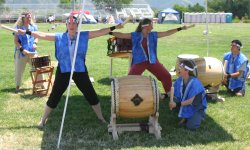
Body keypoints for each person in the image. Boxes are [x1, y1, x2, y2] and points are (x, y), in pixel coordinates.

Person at [18, 14, 123, 128]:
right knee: (55, 96)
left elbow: (100, 31)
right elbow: (42, 35)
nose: (72, 25)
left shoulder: (83, 35)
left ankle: (101, 118)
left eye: (74, 23)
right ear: (66, 25)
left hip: (79, 70)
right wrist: (26, 32)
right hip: (64, 70)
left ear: (78, 25)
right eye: (70, 23)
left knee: (91, 94)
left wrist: (114, 27)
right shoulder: (59, 36)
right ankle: (43, 120)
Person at [109, 18, 191, 99]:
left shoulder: (153, 35)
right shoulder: (135, 35)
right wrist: (109, 32)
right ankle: (124, 95)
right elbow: (121, 35)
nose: (153, 26)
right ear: (146, 26)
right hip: (139, 61)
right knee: (130, 79)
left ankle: (169, 94)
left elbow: (166, 33)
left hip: (152, 61)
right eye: (151, 24)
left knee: (166, 75)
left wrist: (180, 28)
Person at [169, 60, 207, 130]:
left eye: (181, 67)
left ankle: (199, 115)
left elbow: (190, 101)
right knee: (174, 100)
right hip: (185, 102)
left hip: (196, 106)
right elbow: (173, 90)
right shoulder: (180, 80)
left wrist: (176, 104)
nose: (179, 68)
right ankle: (185, 115)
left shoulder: (195, 83)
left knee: (191, 127)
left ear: (187, 71)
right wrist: (165, 96)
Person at [13, 10, 42, 93]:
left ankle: (40, 85)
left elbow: (36, 36)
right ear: (23, 18)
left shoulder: (34, 27)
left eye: (30, 16)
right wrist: (22, 50)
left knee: (38, 68)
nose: (29, 18)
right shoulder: (18, 28)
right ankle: (18, 85)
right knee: (19, 70)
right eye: (27, 16)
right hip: (21, 52)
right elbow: (16, 41)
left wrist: (35, 43)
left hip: (32, 52)